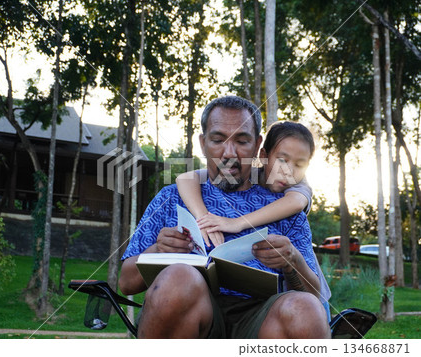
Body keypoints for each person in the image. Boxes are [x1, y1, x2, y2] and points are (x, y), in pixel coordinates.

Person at [118, 95, 331, 338]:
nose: (229, 153)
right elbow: (127, 283)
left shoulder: (286, 207)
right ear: (203, 143)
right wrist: (159, 250)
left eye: (241, 141)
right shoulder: (173, 197)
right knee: (179, 277)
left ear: (257, 147)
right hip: (191, 311)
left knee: (305, 308)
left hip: (263, 320)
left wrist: (292, 260)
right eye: (218, 140)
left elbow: (315, 297)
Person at [175, 121, 332, 319]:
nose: (289, 171)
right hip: (267, 306)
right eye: (282, 160)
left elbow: (296, 202)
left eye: (300, 165)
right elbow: (186, 178)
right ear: (264, 156)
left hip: (310, 296)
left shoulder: (298, 185)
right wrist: (203, 217)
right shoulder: (248, 175)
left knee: (318, 326)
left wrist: (236, 223)